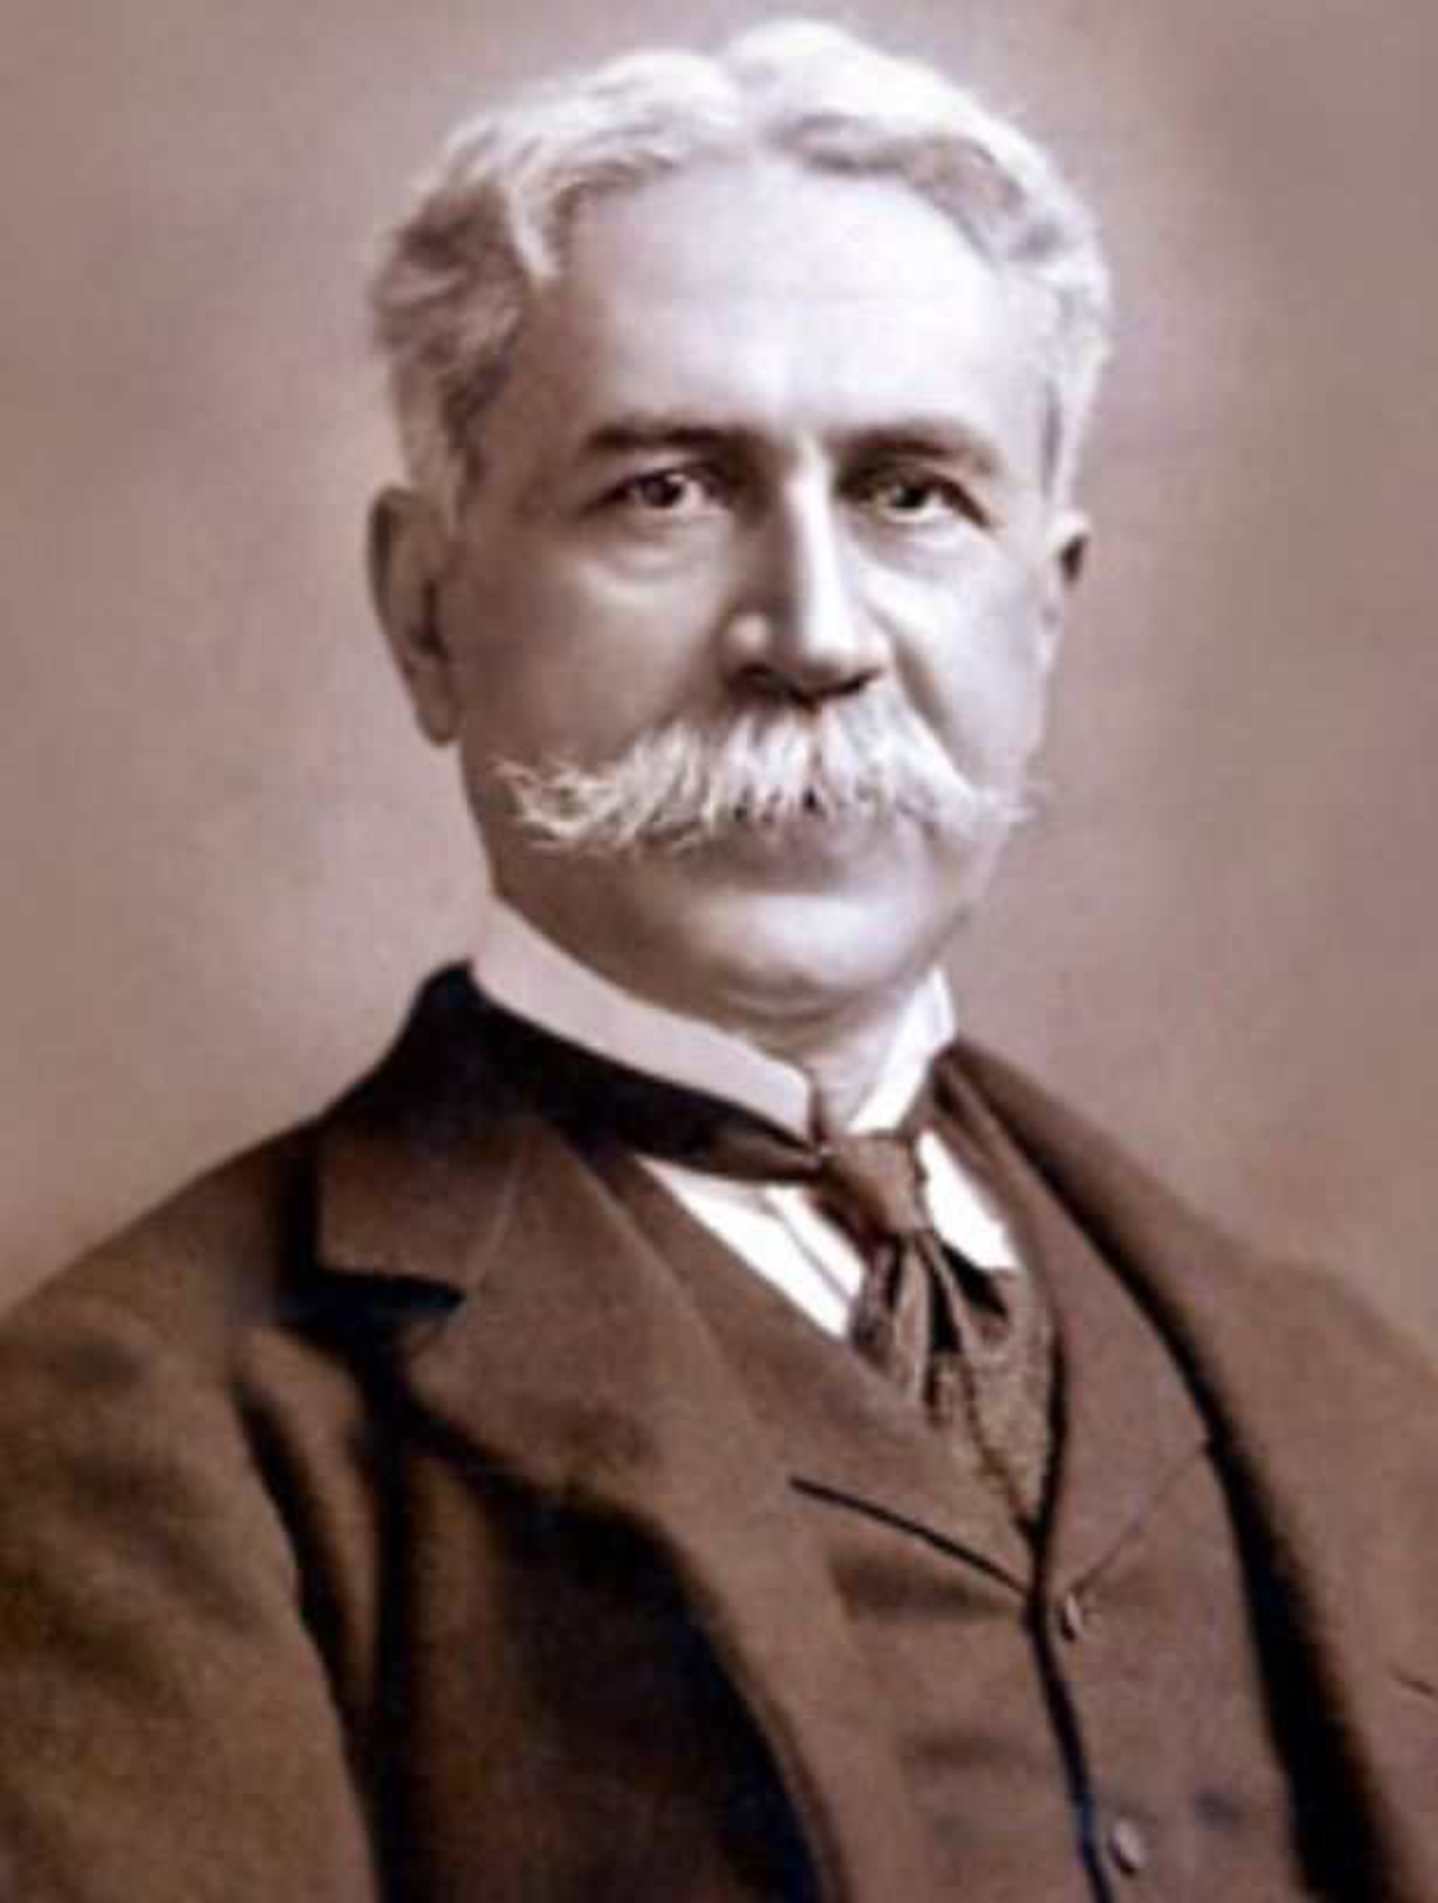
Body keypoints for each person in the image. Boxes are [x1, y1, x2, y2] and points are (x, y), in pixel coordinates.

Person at [1, 19, 1435, 1902]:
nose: (812, 634)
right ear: (427, 613)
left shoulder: (1344, 1393)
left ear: (1043, 614)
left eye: (911, 494)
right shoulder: (150, 1428)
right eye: (665, 490)